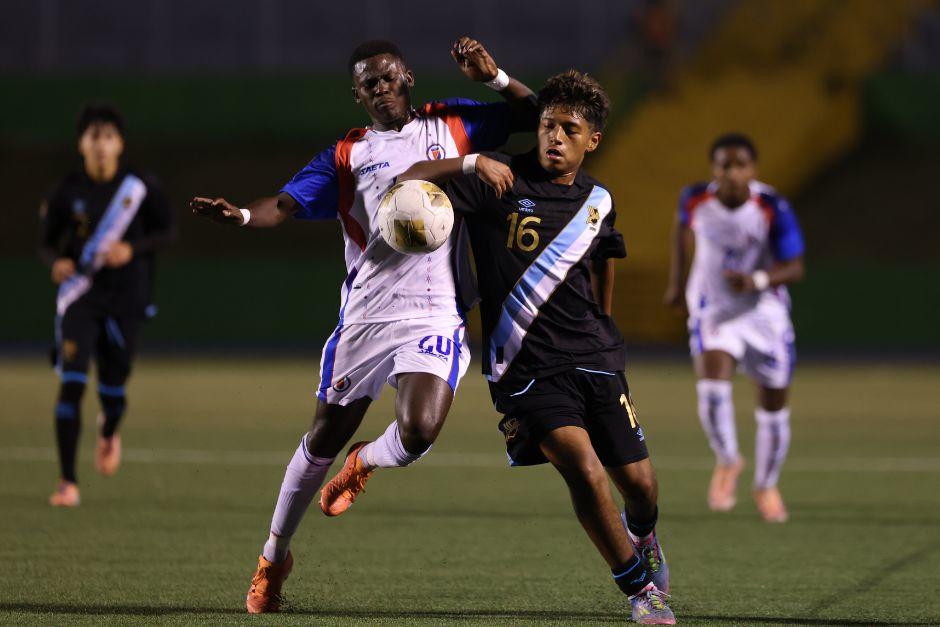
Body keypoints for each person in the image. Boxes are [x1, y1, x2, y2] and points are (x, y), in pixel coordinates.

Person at [191, 38, 536, 613]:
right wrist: (244, 215)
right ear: (357, 95)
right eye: (367, 83)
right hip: (368, 315)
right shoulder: (348, 155)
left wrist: (495, 76)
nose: (380, 87)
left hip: (434, 309)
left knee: (420, 429)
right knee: (323, 436)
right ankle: (273, 556)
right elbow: (286, 204)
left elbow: (532, 114)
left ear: (406, 77)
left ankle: (367, 461)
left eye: (387, 77)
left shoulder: (453, 121)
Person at [397, 70, 675, 625]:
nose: (554, 137)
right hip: (525, 366)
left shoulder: (598, 200)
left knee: (641, 488)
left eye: (569, 129)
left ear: (591, 140)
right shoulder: (497, 179)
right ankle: (640, 592)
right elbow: (408, 179)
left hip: (595, 358)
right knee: (582, 465)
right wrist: (470, 161)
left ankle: (642, 534)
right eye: (547, 124)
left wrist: (604, 327)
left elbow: (601, 262)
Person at [663, 133, 805, 523]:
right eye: (725, 165)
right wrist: (676, 284)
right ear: (714, 169)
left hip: (764, 314)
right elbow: (681, 231)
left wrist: (757, 280)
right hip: (714, 309)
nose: (732, 173)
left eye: (740, 165)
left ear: (752, 170)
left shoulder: (771, 206)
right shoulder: (695, 198)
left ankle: (766, 484)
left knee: (773, 408)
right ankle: (727, 460)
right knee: (711, 386)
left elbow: (795, 266)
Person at [40, 103, 176, 507]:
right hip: (81, 298)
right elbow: (47, 243)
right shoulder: (67, 190)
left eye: (108, 137)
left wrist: (131, 248)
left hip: (127, 299)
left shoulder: (140, 186)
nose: (101, 145)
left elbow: (167, 232)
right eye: (93, 137)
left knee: (113, 391)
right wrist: (57, 262)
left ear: (120, 144)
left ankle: (108, 429)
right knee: (72, 383)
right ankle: (67, 482)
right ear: (81, 144)